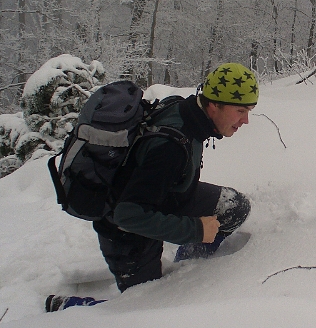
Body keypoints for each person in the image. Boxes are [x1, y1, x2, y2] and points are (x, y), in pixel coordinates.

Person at [46, 63, 258, 312]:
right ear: (213, 105)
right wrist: (196, 230)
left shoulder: (187, 112)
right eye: (240, 110)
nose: (245, 120)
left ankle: (189, 268)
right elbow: (128, 215)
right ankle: (69, 306)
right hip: (127, 233)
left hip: (167, 197)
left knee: (234, 207)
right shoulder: (170, 147)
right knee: (147, 309)